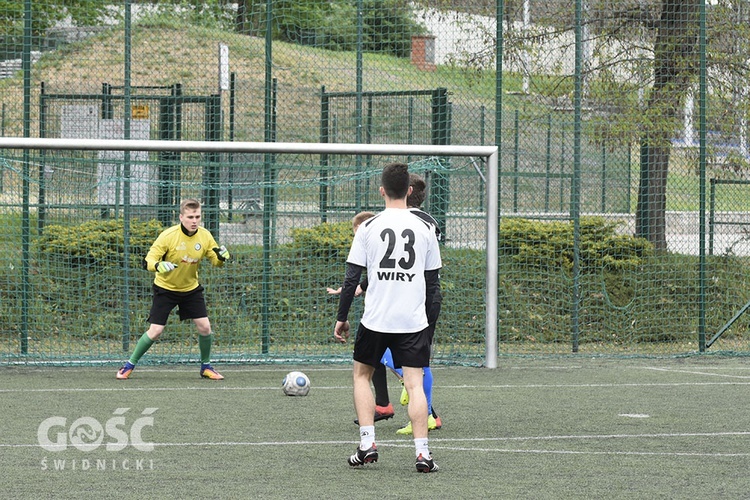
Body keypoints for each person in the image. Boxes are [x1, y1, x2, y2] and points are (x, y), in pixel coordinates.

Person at [334, 162, 442, 473]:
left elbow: (352, 277)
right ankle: (423, 454)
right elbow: (433, 284)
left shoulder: (368, 227)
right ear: (409, 191)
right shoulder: (425, 228)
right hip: (412, 321)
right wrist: (428, 326)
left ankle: (367, 444)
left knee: (361, 377)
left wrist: (341, 317)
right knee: (415, 384)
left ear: (382, 190)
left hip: (375, 320)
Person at [116, 198, 230, 380]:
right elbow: (148, 260)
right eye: (190, 217)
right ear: (181, 217)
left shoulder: (205, 236)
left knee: (205, 327)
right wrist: (158, 265)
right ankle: (128, 366)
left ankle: (206, 367)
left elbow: (216, 262)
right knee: (155, 331)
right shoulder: (168, 236)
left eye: (198, 217)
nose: (194, 221)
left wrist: (222, 258)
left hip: (191, 289)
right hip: (165, 289)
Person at [328, 212, 396, 424]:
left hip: (390, 311)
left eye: (358, 234)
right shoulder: (388, 242)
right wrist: (359, 288)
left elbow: (360, 275)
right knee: (374, 357)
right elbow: (377, 272)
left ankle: (429, 412)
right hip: (392, 309)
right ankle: (383, 405)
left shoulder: (375, 237)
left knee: (404, 366)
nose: (358, 239)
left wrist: (344, 310)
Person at [392, 172, 443, 435]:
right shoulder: (430, 221)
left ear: (407, 191)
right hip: (414, 295)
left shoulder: (407, 221)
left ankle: (427, 413)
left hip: (416, 296)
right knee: (405, 356)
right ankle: (425, 407)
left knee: (411, 359)